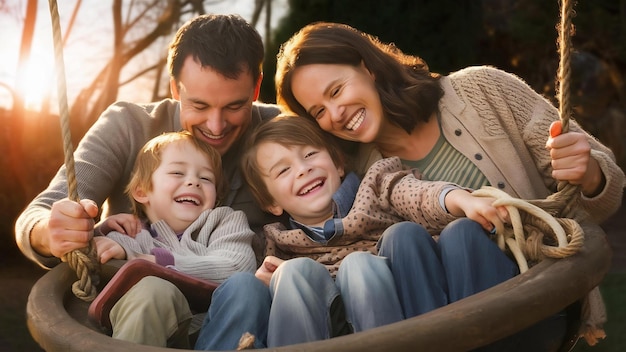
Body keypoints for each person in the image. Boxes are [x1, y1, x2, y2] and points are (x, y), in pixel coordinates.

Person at [273, 22, 625, 350]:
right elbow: (331, 240)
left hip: (535, 298)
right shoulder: (362, 176)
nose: (335, 114)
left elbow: (603, 197)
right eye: (318, 112)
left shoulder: (481, 91)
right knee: (400, 238)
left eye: (336, 91)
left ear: (368, 67)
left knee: (461, 236)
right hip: (438, 319)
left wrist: (588, 173)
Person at [15, 14, 284, 348]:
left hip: (243, 320)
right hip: (141, 319)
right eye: (199, 105)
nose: (216, 126)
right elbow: (39, 213)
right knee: (153, 294)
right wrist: (52, 231)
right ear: (175, 87)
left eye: (234, 106)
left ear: (256, 87)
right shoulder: (128, 125)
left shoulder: (281, 134)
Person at [195, 115, 512, 349]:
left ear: (338, 164)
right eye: (283, 170)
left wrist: (458, 199)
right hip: (329, 330)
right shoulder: (276, 244)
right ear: (270, 202)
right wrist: (267, 284)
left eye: (309, 155)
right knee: (292, 276)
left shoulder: (375, 187)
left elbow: (413, 193)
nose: (303, 169)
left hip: (401, 306)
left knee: (374, 256)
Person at [93, 131, 256, 347]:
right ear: (142, 191)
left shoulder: (223, 222)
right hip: (153, 333)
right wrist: (100, 233)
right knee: (152, 289)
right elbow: (97, 257)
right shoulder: (132, 235)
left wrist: (156, 262)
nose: (193, 182)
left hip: (213, 332)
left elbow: (237, 267)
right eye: (178, 173)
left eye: (205, 178)